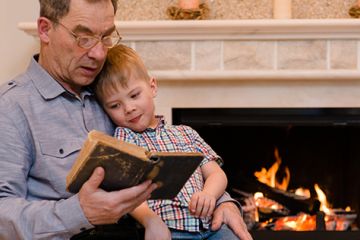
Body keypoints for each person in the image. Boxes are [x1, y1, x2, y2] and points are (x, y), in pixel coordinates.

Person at [0, 0, 252, 239]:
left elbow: (170, 155)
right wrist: (79, 212)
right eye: (84, 38)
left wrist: (223, 202)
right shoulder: (12, 107)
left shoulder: (110, 91)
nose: (99, 54)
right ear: (45, 30)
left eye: (106, 36)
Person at [94, 44, 253, 240]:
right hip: (169, 231)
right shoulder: (123, 139)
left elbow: (216, 173)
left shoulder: (185, 133)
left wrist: (209, 195)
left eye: (135, 95)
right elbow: (126, 192)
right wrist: (149, 221)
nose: (128, 108)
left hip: (210, 226)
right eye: (115, 105)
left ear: (152, 87)